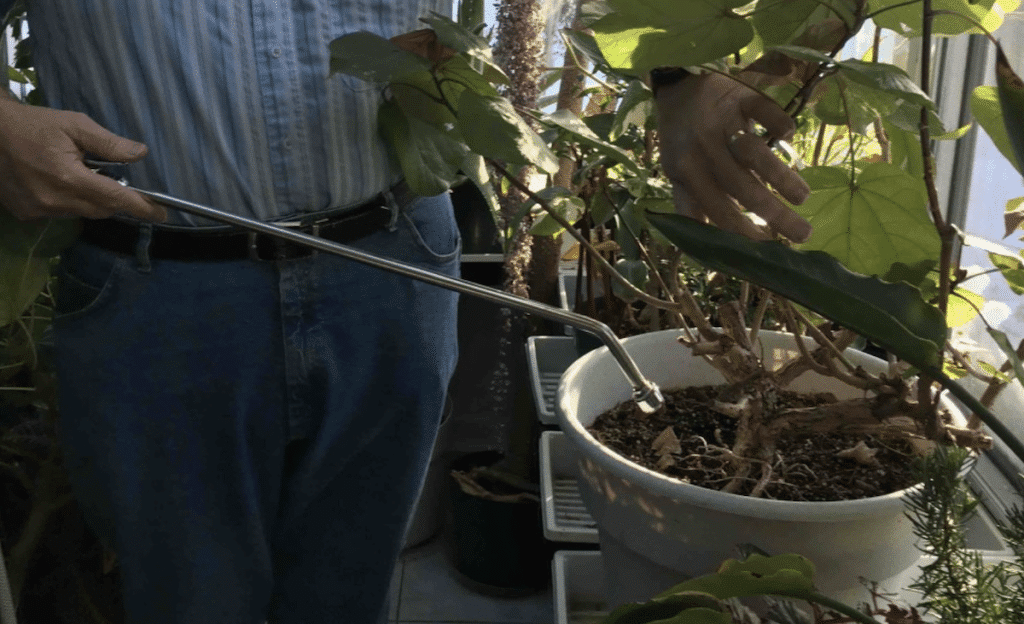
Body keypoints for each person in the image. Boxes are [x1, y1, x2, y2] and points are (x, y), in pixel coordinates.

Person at [0, 2, 811, 623]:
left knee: (347, 592)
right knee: (190, 597)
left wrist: (680, 70)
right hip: (160, 284)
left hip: (388, 265)